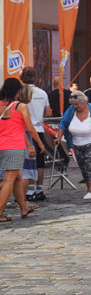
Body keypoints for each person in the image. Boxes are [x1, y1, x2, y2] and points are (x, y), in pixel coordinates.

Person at [0, 78, 45, 221]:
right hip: (14, 147)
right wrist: (40, 143)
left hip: (2, 146)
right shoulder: (20, 106)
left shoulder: (0, 105)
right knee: (9, 180)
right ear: (18, 91)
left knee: (18, 178)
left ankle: (23, 207)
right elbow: (30, 128)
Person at [21, 66, 51, 202]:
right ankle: (39, 190)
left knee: (26, 162)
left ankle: (29, 191)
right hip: (39, 129)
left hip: (25, 130)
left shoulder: (20, 93)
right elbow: (48, 113)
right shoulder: (42, 93)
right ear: (36, 78)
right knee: (39, 163)